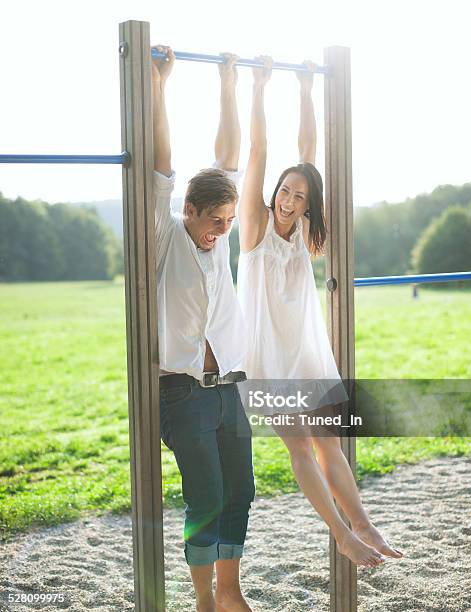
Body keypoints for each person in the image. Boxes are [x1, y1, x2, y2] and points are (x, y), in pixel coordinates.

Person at [236, 56, 402, 567]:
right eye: (285, 190)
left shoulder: (306, 232)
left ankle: (364, 523)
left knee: (329, 444)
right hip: (267, 356)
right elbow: (259, 150)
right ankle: (342, 535)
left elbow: (309, 157)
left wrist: (307, 89)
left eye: (299, 195)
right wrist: (260, 87)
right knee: (300, 449)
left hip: (305, 352)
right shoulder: (255, 225)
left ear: (310, 204)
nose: (288, 199)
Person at [152, 46, 254, 612]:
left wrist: (229, 81)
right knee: (207, 497)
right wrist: (160, 86)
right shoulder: (167, 234)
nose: (222, 230)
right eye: (214, 220)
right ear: (189, 209)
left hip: (230, 387)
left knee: (241, 491)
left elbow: (229, 159)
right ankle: (203, 600)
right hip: (184, 391)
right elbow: (161, 167)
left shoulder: (220, 237)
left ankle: (230, 591)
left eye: (230, 222)